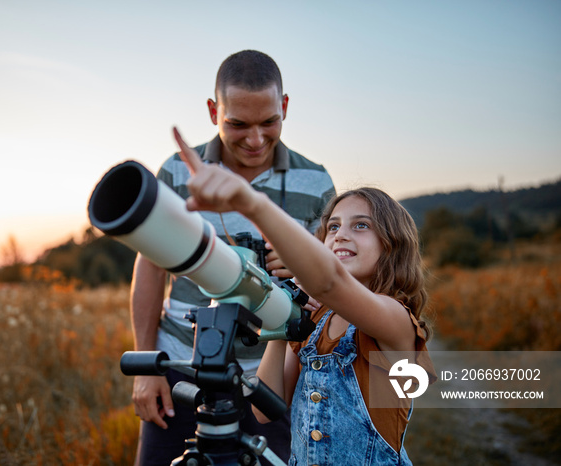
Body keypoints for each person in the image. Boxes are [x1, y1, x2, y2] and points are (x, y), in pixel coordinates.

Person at [173, 126, 436, 465]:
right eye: (333, 227)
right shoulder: (315, 319)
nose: (340, 235)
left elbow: (331, 283)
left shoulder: (394, 319)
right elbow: (266, 408)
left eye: (360, 225)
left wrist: (253, 205)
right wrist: (283, 313)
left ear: (392, 245)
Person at [131, 50, 336, 465]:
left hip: (276, 378)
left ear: (285, 107)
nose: (256, 140)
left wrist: (301, 268)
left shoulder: (317, 182)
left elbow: (336, 281)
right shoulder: (175, 172)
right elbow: (150, 268)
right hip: (184, 368)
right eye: (238, 124)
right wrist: (147, 368)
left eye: (269, 122)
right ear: (213, 111)